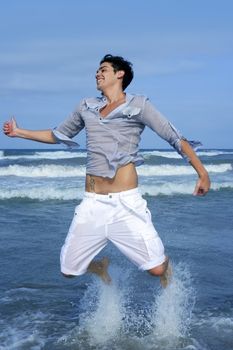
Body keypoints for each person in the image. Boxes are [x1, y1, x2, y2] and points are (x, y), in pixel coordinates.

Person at [3, 54, 210, 287]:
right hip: (92, 203)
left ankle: (165, 265)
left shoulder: (139, 105)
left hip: (125, 204)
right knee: (68, 270)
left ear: (119, 74)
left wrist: (202, 173)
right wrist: (20, 133)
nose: (97, 74)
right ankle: (99, 266)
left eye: (103, 69)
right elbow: (58, 134)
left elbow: (175, 138)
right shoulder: (86, 106)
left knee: (157, 269)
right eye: (97, 71)